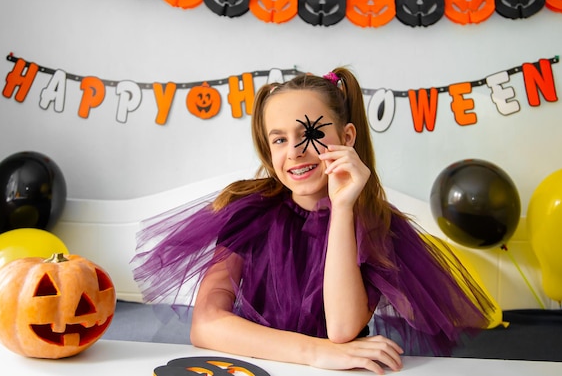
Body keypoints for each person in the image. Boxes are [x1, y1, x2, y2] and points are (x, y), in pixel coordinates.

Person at [132, 68, 493, 374]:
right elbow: (206, 325)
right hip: (257, 365)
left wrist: (342, 206)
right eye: (279, 139)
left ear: (346, 138)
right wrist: (317, 353)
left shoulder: (377, 226)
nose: (294, 151)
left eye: (311, 133)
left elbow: (340, 329)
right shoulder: (248, 211)